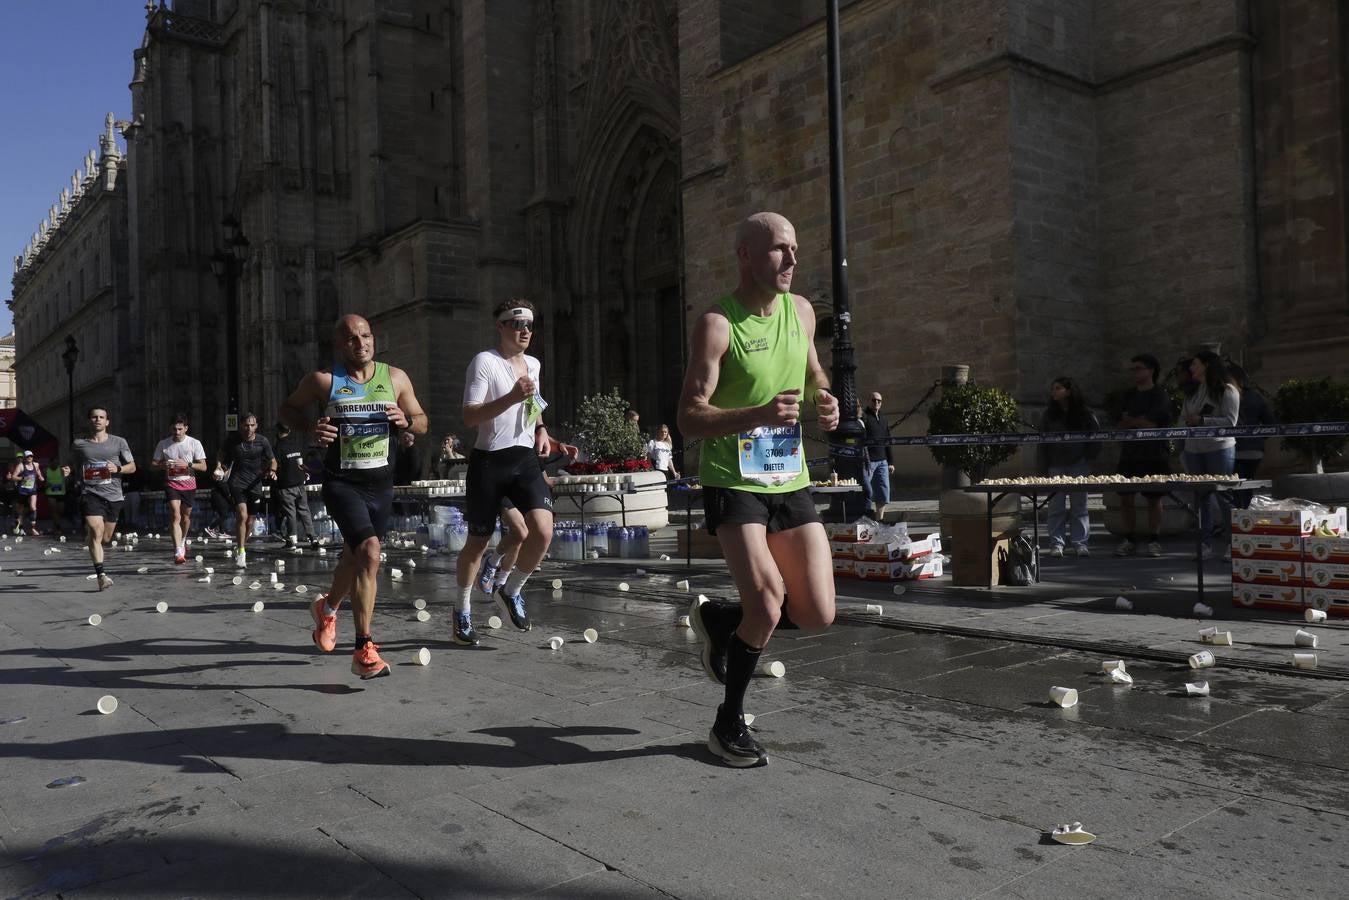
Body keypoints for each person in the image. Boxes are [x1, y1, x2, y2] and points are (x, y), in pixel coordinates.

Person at [677, 211, 839, 768]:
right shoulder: (718, 324)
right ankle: (728, 724)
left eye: (794, 248)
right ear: (746, 255)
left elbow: (814, 372)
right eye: (778, 249)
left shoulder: (802, 312)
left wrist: (825, 398)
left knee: (818, 613)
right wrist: (757, 415)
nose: (792, 258)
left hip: (789, 477)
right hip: (733, 480)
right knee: (768, 603)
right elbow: (690, 418)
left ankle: (723, 621)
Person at [280, 314, 428, 679]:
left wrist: (407, 421)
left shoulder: (395, 378)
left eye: (365, 336)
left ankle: (327, 609)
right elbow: (286, 410)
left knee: (354, 557)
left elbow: (422, 420)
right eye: (351, 338)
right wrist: (310, 428)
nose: (360, 343)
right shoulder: (323, 381)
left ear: (373, 339)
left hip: (381, 486)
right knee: (370, 552)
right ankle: (364, 648)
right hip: (343, 484)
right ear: (338, 345)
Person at [453, 298, 558, 647]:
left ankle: (511, 591)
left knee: (542, 531)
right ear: (500, 326)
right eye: (517, 324)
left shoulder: (533, 364)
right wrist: (512, 397)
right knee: (477, 543)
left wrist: (542, 429)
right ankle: (462, 611)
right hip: (489, 461)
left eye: (529, 325)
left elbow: (533, 404)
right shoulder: (485, 362)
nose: (525, 331)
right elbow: (470, 416)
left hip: (524, 458)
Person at [69, 406, 136, 590]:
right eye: (94, 417)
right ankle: (101, 576)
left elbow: (132, 467)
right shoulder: (79, 444)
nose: (98, 420)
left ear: (107, 422)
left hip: (114, 495)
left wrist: (118, 468)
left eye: (101, 417)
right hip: (90, 493)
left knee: (105, 538)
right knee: (96, 530)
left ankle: (92, 538)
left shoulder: (119, 442)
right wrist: (67, 470)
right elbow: (71, 464)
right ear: (89, 420)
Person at [1182, 350, 1240, 558]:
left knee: (1223, 495)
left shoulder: (1227, 390)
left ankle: (1232, 544)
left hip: (1219, 448)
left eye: (1195, 363)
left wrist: (1203, 420)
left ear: (1206, 365)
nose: (1191, 368)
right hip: (1193, 449)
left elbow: (1231, 421)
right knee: (1200, 497)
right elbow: (1183, 418)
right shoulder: (1192, 391)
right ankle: (1204, 544)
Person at [1114, 354, 1173, 557]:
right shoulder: (1127, 395)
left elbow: (1153, 423)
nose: (1134, 372)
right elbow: (1120, 421)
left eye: (1138, 368)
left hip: (1154, 454)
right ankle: (1129, 539)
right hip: (1129, 454)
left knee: (1154, 498)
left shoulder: (1160, 395)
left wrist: (1133, 420)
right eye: (1133, 369)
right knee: (1125, 497)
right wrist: (1137, 420)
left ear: (1151, 371)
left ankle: (1154, 540)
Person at [1037, 377, 1101, 558]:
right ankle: (1057, 544)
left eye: (1058, 388)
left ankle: (1080, 543)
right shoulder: (1049, 414)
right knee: (1056, 507)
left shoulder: (1085, 413)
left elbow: (1096, 437)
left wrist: (1088, 457)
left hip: (1078, 464)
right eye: (1053, 388)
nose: (1054, 392)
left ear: (1069, 391)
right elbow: (1042, 442)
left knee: (1079, 506)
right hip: (1055, 465)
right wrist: (1042, 467)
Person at [216, 414, 276, 568]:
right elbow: (221, 453)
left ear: (256, 426)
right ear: (241, 426)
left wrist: (272, 471)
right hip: (237, 482)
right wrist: (218, 466)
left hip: (255, 484)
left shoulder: (263, 441)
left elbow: (273, 460)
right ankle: (241, 552)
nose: (249, 428)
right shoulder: (232, 440)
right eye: (246, 425)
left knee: (250, 521)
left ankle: (241, 544)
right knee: (242, 515)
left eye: (252, 425)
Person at [151, 414, 208, 564]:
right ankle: (177, 550)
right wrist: (164, 465)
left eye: (180, 429)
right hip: (171, 483)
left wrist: (188, 464)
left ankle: (182, 540)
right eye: (174, 429)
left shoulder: (194, 443)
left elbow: (203, 466)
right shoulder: (163, 444)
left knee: (185, 516)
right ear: (170, 428)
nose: (177, 432)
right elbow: (153, 465)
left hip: (188, 483)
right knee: (175, 516)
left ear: (186, 428)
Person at [1228, 363, 1276, 509]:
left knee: (1236, 487)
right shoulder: (1257, 397)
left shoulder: (1229, 396)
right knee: (1247, 484)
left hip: (1234, 449)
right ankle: (1245, 514)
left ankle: (1240, 515)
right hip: (1255, 451)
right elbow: (1271, 423)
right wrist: (1258, 439)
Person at [273, 422, 317, 547]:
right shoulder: (296, 446)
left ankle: (292, 540)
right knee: (305, 511)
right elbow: (301, 464)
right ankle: (313, 538)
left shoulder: (277, 448)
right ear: (289, 431)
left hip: (286, 485)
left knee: (290, 513)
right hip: (299, 483)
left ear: (277, 431)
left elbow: (275, 465)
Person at [861, 391, 895, 521]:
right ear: (869, 401)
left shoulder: (884, 418)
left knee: (883, 492)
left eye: (879, 401)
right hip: (868, 462)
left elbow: (887, 440)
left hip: (882, 461)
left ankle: (879, 520)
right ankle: (865, 519)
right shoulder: (864, 417)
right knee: (867, 492)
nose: (876, 402)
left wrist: (890, 462)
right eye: (874, 400)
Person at [11, 450, 44, 535]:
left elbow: (38, 471)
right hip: (23, 491)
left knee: (33, 507)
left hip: (32, 490)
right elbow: (13, 477)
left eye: (31, 456)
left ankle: (32, 528)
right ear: (25, 458)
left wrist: (40, 476)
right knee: (21, 511)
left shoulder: (36, 464)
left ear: (33, 457)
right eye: (27, 456)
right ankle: (20, 527)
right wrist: (22, 478)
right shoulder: (21, 466)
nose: (29, 458)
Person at [42, 455, 67, 536]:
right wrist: (45, 484)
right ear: (50, 463)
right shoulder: (46, 470)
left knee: (61, 511)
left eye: (57, 463)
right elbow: (43, 481)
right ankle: (58, 527)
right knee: (54, 510)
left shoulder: (61, 469)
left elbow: (67, 477)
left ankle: (55, 525)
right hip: (50, 493)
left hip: (61, 493)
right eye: (54, 463)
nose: (56, 464)